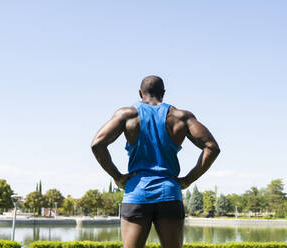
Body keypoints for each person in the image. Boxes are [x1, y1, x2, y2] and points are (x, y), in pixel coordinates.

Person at [91, 75, 220, 248]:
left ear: (140, 93)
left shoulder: (127, 114)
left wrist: (117, 177)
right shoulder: (181, 116)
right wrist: (188, 179)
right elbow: (212, 147)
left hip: (137, 193)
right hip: (169, 193)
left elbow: (97, 144)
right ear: (163, 93)